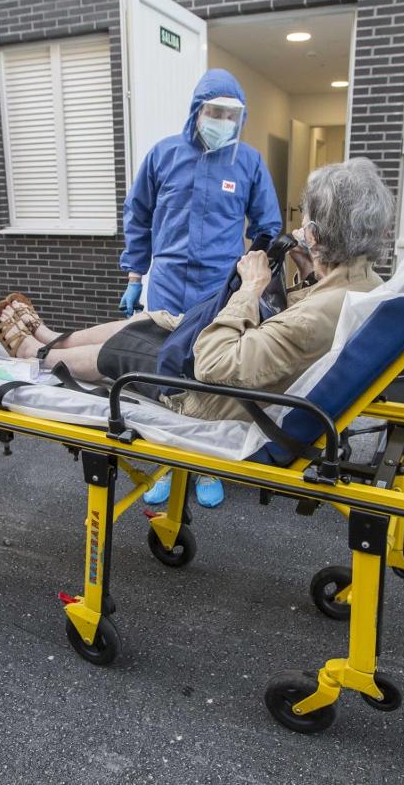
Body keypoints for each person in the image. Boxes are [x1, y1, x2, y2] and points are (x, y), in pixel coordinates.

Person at [0, 157, 391, 429]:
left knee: (124, 350)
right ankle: (49, 337)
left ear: (317, 236)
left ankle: (37, 355)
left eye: (305, 222)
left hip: (207, 397)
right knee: (153, 320)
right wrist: (308, 272)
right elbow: (296, 334)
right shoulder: (364, 282)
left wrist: (250, 289)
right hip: (244, 368)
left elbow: (214, 366)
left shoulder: (315, 318)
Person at [119, 68, 285, 507]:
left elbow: (268, 225)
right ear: (197, 110)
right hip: (168, 281)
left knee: (208, 374)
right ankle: (166, 463)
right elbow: (138, 215)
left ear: (240, 118)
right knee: (162, 373)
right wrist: (135, 276)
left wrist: (250, 275)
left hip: (218, 285)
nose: (222, 121)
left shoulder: (247, 162)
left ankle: (206, 466)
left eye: (231, 115)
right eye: (214, 112)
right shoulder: (163, 155)